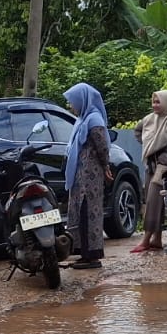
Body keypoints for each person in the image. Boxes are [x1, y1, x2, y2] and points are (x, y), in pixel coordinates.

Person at [133, 89, 167, 253]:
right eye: (154, 101)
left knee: (153, 200)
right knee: (155, 201)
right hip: (151, 163)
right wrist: (148, 144)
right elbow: (138, 131)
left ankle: (145, 239)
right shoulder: (150, 119)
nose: (155, 105)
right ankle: (156, 239)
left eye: (158, 102)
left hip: (166, 164)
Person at [63, 83, 111, 270]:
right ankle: (83, 253)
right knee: (80, 211)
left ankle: (92, 255)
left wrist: (106, 165)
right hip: (81, 174)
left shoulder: (94, 119)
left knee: (88, 211)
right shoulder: (83, 119)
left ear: (83, 100)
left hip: (90, 175)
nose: (71, 106)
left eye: (72, 102)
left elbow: (102, 146)